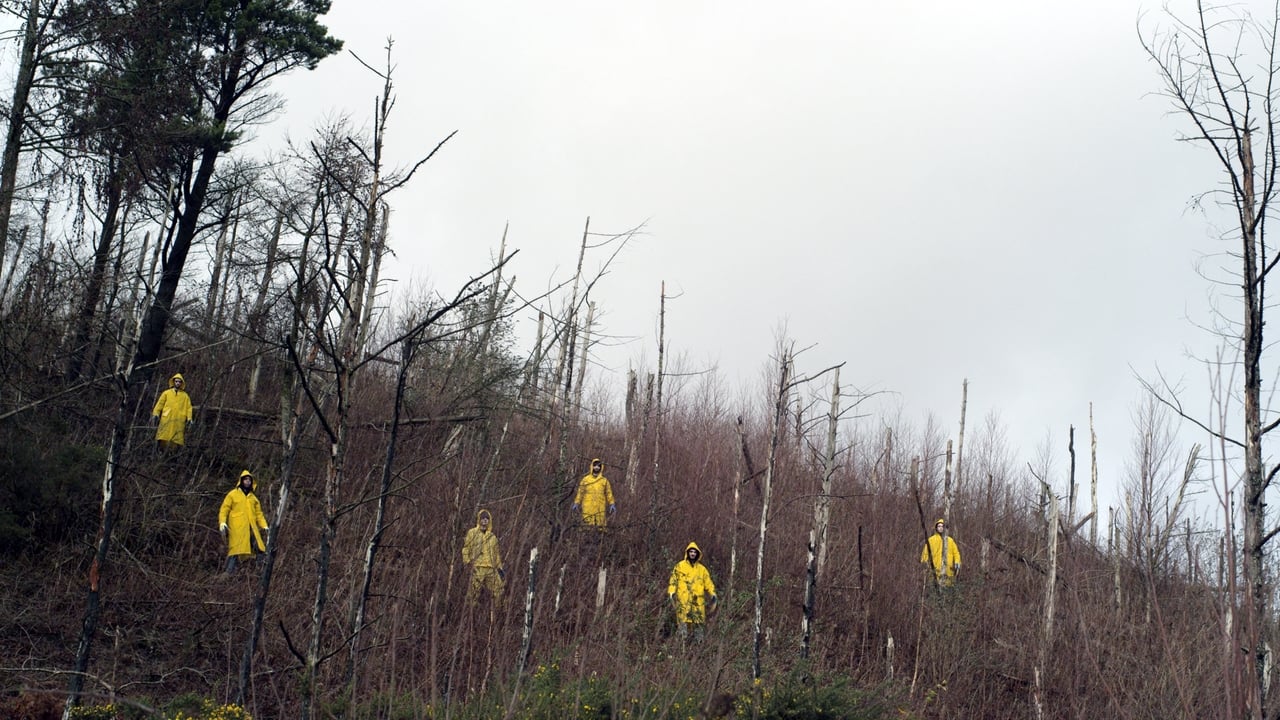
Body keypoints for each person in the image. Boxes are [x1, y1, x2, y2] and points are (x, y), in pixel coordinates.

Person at [219, 470, 269, 574]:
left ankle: (259, 572)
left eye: (249, 480)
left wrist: (264, 526)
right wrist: (222, 522)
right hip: (237, 528)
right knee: (235, 550)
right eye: (245, 479)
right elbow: (224, 509)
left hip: (251, 529)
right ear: (241, 480)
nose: (248, 482)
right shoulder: (232, 494)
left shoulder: (254, 499)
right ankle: (228, 573)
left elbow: (259, 515)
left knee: (260, 549)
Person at [668, 541, 717, 640]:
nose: (693, 554)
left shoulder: (702, 569)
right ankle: (682, 649)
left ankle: (697, 647)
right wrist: (672, 592)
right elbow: (673, 581)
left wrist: (712, 594)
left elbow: (708, 583)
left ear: (697, 554)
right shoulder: (680, 566)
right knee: (683, 625)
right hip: (684, 601)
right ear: (688, 553)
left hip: (697, 602)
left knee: (698, 626)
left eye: (695, 552)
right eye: (691, 552)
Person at [461, 509, 505, 607]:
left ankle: (499, 611)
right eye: (483, 518)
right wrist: (467, 562)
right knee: (473, 592)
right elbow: (466, 548)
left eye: (487, 518)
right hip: (477, 567)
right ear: (479, 519)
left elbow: (496, 554)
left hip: (491, 568)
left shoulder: (492, 537)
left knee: (498, 589)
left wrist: (500, 568)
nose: (485, 520)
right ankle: (470, 611)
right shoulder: (472, 533)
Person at [151, 373, 193, 447]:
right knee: (163, 437)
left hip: (178, 420)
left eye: (179, 382)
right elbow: (160, 404)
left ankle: (171, 454)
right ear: (173, 382)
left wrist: (189, 418)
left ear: (182, 383)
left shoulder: (185, 396)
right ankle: (160, 452)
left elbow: (189, 408)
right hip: (167, 418)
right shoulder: (166, 393)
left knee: (175, 439)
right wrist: (156, 413)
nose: (177, 383)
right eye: (176, 381)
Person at [571, 458, 615, 529]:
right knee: (586, 526)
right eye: (595, 465)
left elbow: (608, 493)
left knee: (599, 527)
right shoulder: (586, 479)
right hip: (587, 506)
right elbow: (580, 492)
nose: (596, 467)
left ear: (601, 467)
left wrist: (611, 503)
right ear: (592, 466)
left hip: (600, 507)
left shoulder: (604, 481)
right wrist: (577, 502)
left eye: (598, 466)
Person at [921, 518, 961, 586]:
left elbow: (956, 552)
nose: (941, 528)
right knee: (934, 587)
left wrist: (957, 561)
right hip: (935, 570)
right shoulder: (931, 540)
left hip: (947, 570)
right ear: (936, 527)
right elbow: (925, 553)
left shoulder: (950, 540)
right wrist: (924, 562)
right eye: (939, 526)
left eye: (942, 526)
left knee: (947, 588)